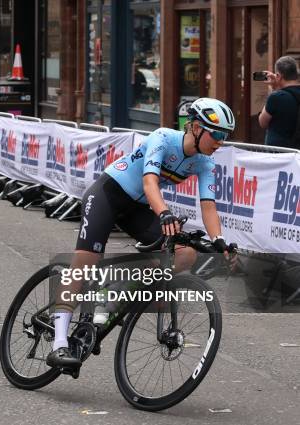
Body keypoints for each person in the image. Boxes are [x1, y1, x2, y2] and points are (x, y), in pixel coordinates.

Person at [45, 98, 237, 371]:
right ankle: (59, 342)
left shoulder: (205, 163)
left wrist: (218, 240)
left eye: (225, 137)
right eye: (216, 134)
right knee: (84, 263)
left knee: (184, 254)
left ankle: (118, 294)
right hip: (107, 195)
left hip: (136, 207)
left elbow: (208, 206)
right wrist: (164, 213)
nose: (220, 142)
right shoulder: (163, 138)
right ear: (195, 127)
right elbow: (150, 182)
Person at [258, 56, 300, 148]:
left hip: (279, 154)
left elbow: (262, 122)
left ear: (279, 76)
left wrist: (273, 89)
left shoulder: (276, 97)